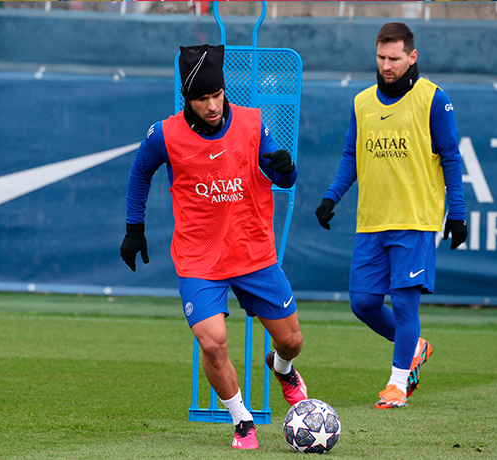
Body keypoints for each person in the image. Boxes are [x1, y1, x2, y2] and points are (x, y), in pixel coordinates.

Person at [120, 44, 308, 450]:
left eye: (217, 94)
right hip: (199, 258)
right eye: (202, 98)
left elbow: (285, 179)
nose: (212, 105)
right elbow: (139, 173)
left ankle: (283, 369)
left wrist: (287, 170)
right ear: (186, 98)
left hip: (253, 251)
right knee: (212, 340)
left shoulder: (253, 123)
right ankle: (242, 420)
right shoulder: (164, 135)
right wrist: (135, 228)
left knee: (292, 340)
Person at [315, 22, 466, 409]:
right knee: (363, 304)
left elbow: (450, 156)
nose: (386, 65)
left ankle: (397, 385)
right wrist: (333, 195)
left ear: (412, 57)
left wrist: (458, 212)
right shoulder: (362, 102)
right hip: (371, 221)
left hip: (414, 220)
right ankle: (415, 347)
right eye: (381, 57)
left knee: (403, 305)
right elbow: (352, 155)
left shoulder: (434, 99)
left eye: (394, 58)